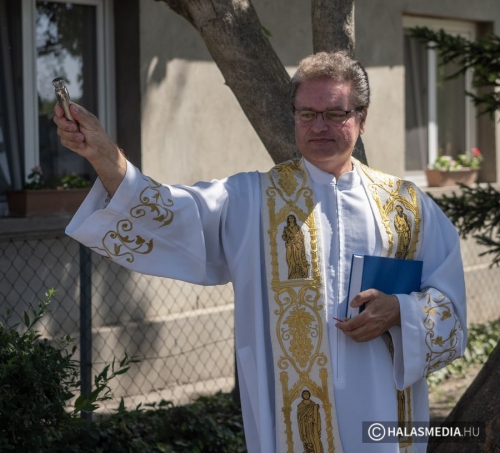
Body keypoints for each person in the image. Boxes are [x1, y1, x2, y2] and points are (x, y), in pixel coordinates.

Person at [55, 51, 467, 453]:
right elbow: (169, 211)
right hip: (292, 419)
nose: (318, 126)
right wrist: (104, 155)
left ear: (361, 118)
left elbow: (450, 305)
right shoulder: (253, 199)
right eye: (307, 113)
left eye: (334, 113)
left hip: (382, 414)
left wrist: (400, 311)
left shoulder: (406, 206)